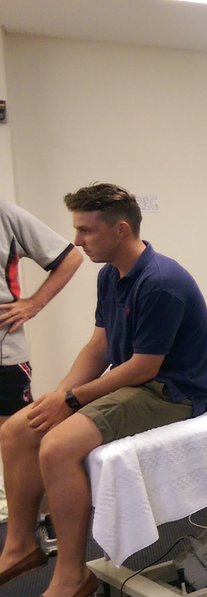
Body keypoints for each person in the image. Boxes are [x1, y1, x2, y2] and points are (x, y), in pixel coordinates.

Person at [0, 183, 207, 597]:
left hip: (171, 392)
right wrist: (58, 396)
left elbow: (143, 367)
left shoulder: (161, 281)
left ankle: (71, 575)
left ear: (120, 229)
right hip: (138, 380)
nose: (77, 241)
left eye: (86, 230)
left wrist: (73, 402)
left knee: (56, 446)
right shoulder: (111, 274)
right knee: (20, 429)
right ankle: (20, 545)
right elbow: (99, 345)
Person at [0, 199, 84, 526]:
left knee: (17, 436)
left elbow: (70, 256)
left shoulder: (5, 214)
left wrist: (35, 303)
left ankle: (38, 524)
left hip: (5, 353)